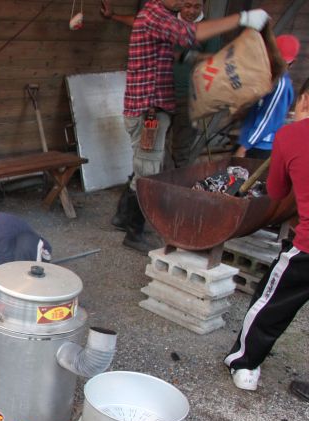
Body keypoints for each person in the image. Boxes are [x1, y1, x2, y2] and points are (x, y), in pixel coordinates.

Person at [110, 0, 270, 252]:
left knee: (146, 164)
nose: (186, 3)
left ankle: (123, 218)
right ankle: (134, 232)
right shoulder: (154, 14)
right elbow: (191, 33)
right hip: (148, 111)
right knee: (147, 169)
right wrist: (242, 18)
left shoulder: (163, 15)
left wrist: (205, 58)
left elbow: (174, 50)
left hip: (157, 107)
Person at [223, 78, 309, 398]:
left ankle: (244, 364)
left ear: (302, 100)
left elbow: (275, 191)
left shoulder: (292, 134)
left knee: (272, 304)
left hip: (308, 250)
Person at [100, 0, 222, 169]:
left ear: (203, 6)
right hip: (160, 99)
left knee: (181, 148)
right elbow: (139, 21)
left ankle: (176, 186)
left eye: (197, 6)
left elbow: (213, 64)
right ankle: (160, 182)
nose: (191, 11)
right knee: (154, 147)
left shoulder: (208, 31)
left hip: (188, 99)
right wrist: (113, 16)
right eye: (188, 5)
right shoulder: (165, 20)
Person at [233, 35, 300, 160]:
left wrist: (244, 147)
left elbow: (267, 120)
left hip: (259, 146)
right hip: (247, 138)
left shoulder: (280, 84)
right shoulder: (267, 76)